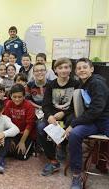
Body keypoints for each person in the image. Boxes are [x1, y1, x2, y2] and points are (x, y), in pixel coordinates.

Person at [63, 58, 109, 189]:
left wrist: (74, 123)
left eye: (85, 67)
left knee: (74, 128)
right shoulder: (81, 85)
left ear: (92, 69)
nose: (82, 70)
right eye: (79, 68)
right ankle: (77, 174)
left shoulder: (97, 83)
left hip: (104, 120)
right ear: (76, 71)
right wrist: (71, 124)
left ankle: (102, 163)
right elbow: (78, 109)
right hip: (92, 122)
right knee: (75, 134)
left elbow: (96, 110)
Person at [38, 58, 79, 176]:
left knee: (70, 124)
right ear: (55, 70)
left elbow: (76, 105)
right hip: (53, 114)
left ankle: (62, 146)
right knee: (41, 127)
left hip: (69, 114)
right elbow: (45, 104)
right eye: (60, 68)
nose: (63, 70)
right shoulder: (51, 85)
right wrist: (50, 116)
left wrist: (64, 113)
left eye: (66, 67)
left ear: (70, 69)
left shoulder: (75, 84)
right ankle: (52, 159)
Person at [4, 84, 36, 160]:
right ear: (10, 96)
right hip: (13, 133)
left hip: (25, 134)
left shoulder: (29, 106)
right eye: (14, 97)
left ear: (24, 96)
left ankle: (32, 145)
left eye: (20, 97)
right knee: (7, 152)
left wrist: (22, 142)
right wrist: (10, 139)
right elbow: (7, 123)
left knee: (21, 156)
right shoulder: (8, 104)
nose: (17, 99)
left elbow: (29, 125)